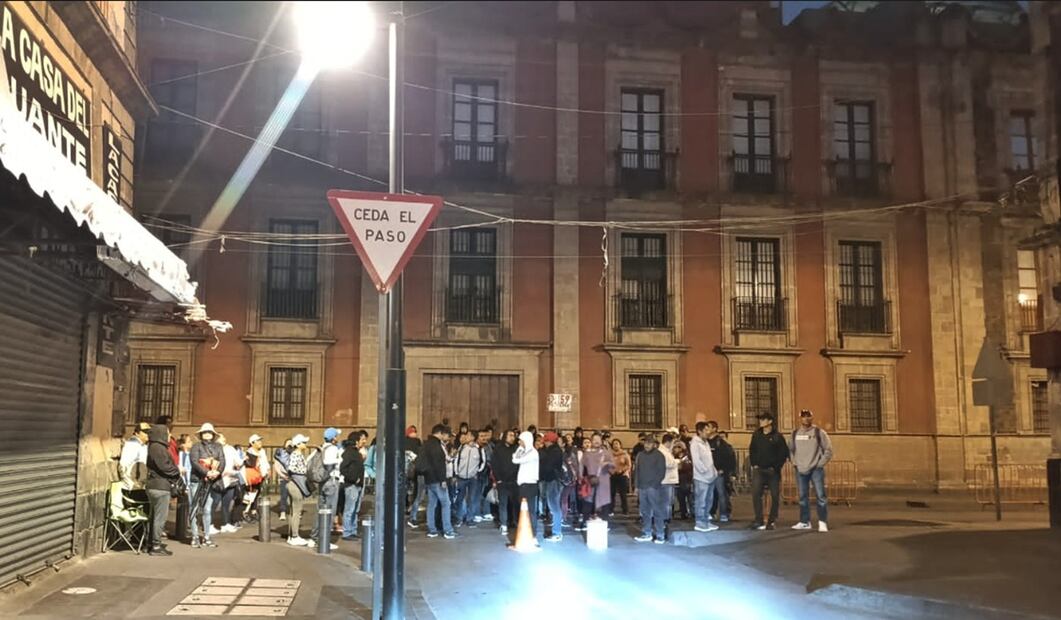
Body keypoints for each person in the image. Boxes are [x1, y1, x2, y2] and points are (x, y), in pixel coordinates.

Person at [790, 409, 833, 533]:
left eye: (808, 416)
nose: (806, 418)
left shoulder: (819, 433)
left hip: (815, 470)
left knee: (820, 496)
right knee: (802, 497)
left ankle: (822, 522)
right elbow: (791, 450)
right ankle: (805, 522)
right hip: (800, 469)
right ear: (800, 418)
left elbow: (828, 450)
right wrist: (795, 463)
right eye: (803, 416)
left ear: (811, 418)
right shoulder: (795, 433)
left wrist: (819, 464)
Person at [748, 412, 790, 531]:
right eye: (760, 419)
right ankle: (758, 519)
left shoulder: (778, 436)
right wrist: (754, 464)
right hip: (759, 470)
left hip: (773, 472)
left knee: (775, 496)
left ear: (770, 421)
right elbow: (752, 450)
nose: (760, 421)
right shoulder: (756, 435)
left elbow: (783, 453)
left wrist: (776, 467)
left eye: (763, 419)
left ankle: (771, 520)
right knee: (756, 494)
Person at [145, 424, 181, 556]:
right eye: (167, 433)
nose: (169, 435)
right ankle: (156, 545)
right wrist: (176, 472)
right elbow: (165, 467)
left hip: (154, 485)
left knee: (154, 517)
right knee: (160, 518)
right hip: (160, 486)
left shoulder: (153, 447)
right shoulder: (158, 448)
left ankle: (150, 543)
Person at [188, 423, 225, 548]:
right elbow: (194, 462)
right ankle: (194, 536)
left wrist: (217, 472)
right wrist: (207, 472)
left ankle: (207, 536)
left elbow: (222, 461)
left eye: (209, 432)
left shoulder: (218, 447)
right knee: (194, 508)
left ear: (213, 434)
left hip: (211, 482)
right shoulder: (196, 446)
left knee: (207, 509)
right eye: (205, 432)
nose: (207, 434)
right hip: (197, 480)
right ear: (201, 434)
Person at [310, 428, 343, 550]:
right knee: (330, 511)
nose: (337, 438)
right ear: (333, 438)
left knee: (320, 510)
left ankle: (314, 537)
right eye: (336, 436)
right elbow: (329, 463)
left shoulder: (321, 447)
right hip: (331, 481)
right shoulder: (333, 449)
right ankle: (325, 540)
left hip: (322, 482)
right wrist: (339, 460)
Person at [421, 424, 456, 539]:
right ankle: (448, 530)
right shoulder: (437, 446)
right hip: (438, 479)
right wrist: (443, 480)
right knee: (446, 504)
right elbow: (439, 465)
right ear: (440, 433)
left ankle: (432, 530)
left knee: (431, 504)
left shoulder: (426, 444)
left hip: (429, 479)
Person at [633, 435, 667, 544]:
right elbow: (637, 471)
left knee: (657, 511)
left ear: (654, 444)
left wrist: (654, 485)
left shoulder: (659, 455)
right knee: (644, 511)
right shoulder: (640, 455)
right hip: (642, 487)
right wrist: (636, 486)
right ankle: (647, 533)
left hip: (654, 488)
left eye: (649, 443)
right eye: (645, 443)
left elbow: (661, 472)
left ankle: (660, 534)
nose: (647, 445)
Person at [690, 422, 720, 532]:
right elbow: (696, 461)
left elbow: (709, 459)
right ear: (699, 431)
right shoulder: (695, 443)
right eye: (706, 430)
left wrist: (713, 471)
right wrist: (705, 471)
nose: (708, 432)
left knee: (708, 500)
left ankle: (706, 521)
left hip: (710, 476)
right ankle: (699, 522)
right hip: (701, 478)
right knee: (701, 501)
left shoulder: (706, 442)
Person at [451, 429, 484, 527]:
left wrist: (477, 472)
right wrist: (456, 473)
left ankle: (470, 519)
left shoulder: (479, 449)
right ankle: (459, 518)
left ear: (473, 437)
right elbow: (456, 461)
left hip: (473, 478)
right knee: (460, 498)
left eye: (468, 435)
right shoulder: (461, 448)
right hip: (461, 477)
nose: (466, 437)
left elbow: (483, 462)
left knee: (471, 499)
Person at [705, 421, 736, 523]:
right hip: (708, 472)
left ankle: (723, 514)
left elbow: (728, 457)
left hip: (719, 473)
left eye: (709, 427)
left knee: (721, 493)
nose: (707, 429)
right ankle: (711, 512)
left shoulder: (721, 443)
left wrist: (723, 469)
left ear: (714, 429)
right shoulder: (705, 442)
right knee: (710, 494)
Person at [512, 430, 540, 540]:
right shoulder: (525, 451)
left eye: (521, 440)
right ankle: (526, 532)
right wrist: (520, 449)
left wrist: (518, 451)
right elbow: (514, 458)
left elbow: (516, 460)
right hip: (523, 485)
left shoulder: (533, 453)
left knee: (530, 510)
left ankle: (533, 534)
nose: (519, 442)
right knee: (524, 510)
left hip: (529, 485)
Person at [581, 433, 614, 522]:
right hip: (590, 480)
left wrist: (607, 463)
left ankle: (605, 521)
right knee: (588, 500)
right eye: (594, 439)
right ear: (591, 441)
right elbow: (582, 466)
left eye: (598, 439)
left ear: (601, 441)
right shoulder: (587, 453)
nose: (596, 441)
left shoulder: (606, 453)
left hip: (604, 480)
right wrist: (580, 477)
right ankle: (585, 521)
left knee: (604, 501)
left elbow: (613, 466)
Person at [340, 430, 368, 540]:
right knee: (349, 509)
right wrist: (353, 479)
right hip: (351, 485)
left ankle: (353, 530)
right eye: (362, 440)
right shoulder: (349, 453)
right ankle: (347, 532)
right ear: (356, 441)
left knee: (355, 510)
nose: (364, 442)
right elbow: (343, 468)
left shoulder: (357, 453)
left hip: (359, 485)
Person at [285, 434, 312, 546]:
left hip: (293, 484)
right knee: (297, 511)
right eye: (304, 442)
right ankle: (295, 536)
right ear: (298, 444)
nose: (305, 444)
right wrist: (304, 471)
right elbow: (291, 468)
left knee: (293, 511)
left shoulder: (297, 454)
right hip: (296, 485)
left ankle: (291, 536)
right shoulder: (296, 454)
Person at [214, 434, 243, 533]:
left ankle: (225, 524)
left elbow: (238, 462)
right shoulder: (214, 449)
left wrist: (240, 462)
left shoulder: (230, 449)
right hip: (217, 479)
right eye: (220, 437)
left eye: (223, 437)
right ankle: (209, 525)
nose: (223, 438)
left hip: (230, 478)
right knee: (215, 503)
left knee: (226, 504)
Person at [492, 429, 519, 535]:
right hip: (502, 481)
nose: (512, 438)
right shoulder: (498, 449)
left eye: (514, 436)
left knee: (515, 503)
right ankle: (504, 524)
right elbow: (494, 464)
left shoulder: (516, 449)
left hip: (514, 481)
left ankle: (515, 522)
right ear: (505, 437)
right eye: (510, 435)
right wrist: (498, 479)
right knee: (503, 503)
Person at [539, 431, 564, 541]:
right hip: (553, 480)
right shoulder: (555, 450)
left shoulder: (554, 452)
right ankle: (556, 530)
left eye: (545, 441)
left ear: (549, 441)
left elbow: (547, 466)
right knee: (554, 505)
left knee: (554, 506)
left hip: (553, 480)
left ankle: (557, 532)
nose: (544, 443)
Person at [119, 422, 151, 490]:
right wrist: (131, 483)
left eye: (149, 432)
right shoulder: (132, 445)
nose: (148, 434)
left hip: (141, 484)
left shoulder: (143, 445)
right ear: (137, 433)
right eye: (145, 432)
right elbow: (123, 465)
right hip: (133, 486)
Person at [610, 438, 632, 516]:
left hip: (622, 475)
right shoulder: (610, 454)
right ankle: (611, 510)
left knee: (623, 494)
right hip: (612, 475)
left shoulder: (625, 454)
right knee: (611, 493)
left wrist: (622, 470)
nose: (615, 445)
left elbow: (629, 465)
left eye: (617, 443)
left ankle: (625, 510)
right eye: (614, 444)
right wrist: (610, 471)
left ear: (620, 445)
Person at [660, 433, 679, 520]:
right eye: (673, 443)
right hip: (666, 480)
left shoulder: (666, 452)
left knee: (669, 501)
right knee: (666, 501)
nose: (673, 445)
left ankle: (667, 518)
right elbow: (668, 464)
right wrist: (677, 461)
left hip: (669, 480)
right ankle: (665, 519)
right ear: (668, 442)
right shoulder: (663, 452)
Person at [274, 439, 293, 521]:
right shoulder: (280, 454)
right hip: (283, 477)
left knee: (294, 496)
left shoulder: (295, 454)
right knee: (284, 496)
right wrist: (282, 475)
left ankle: (294, 512)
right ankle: (283, 512)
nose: (290, 445)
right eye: (288, 444)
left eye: (291, 444)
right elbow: (276, 466)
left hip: (293, 477)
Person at [674, 442, 693, 520]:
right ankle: (683, 513)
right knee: (681, 499)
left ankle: (692, 513)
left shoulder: (687, 457)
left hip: (687, 480)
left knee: (690, 499)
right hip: (679, 480)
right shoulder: (674, 457)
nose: (675, 449)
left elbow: (688, 467)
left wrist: (680, 465)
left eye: (676, 447)